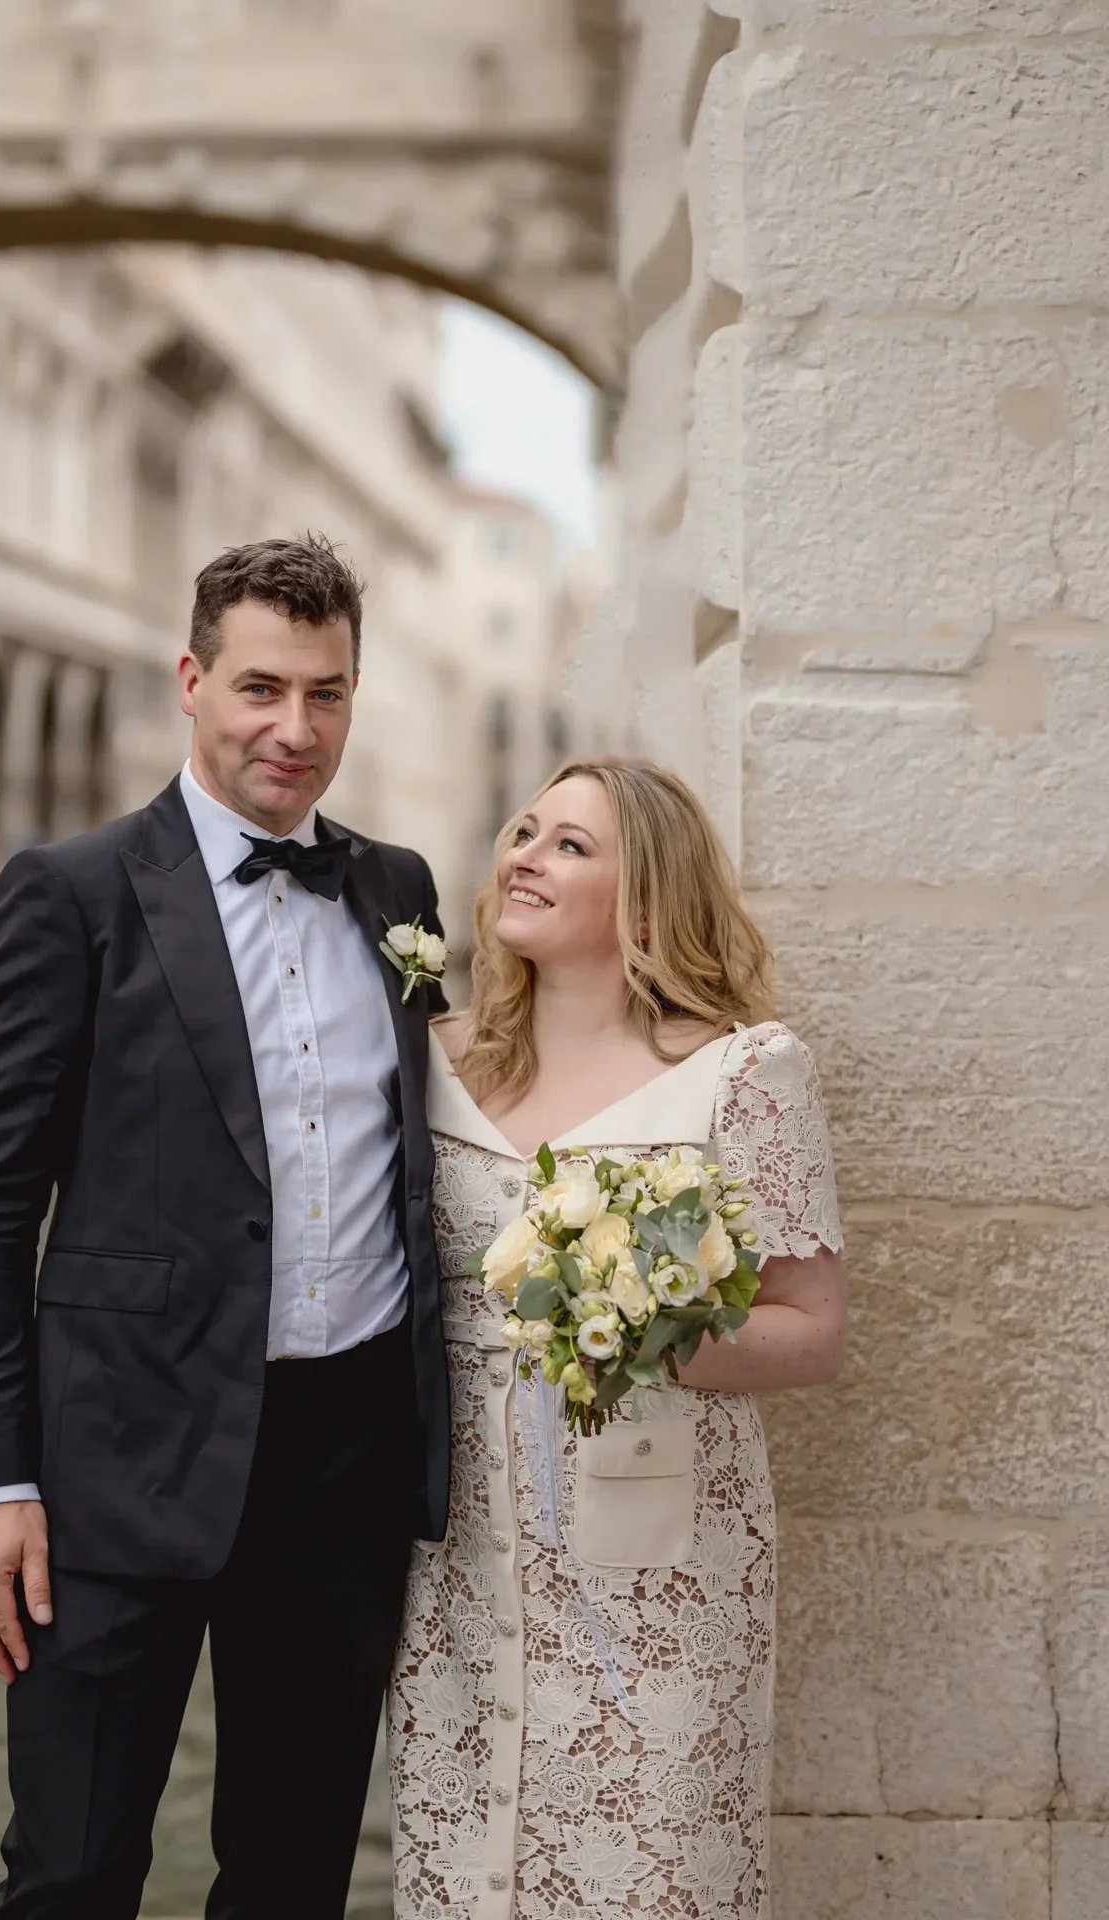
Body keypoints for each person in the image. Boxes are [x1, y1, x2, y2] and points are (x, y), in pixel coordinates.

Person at [0, 534, 451, 1920]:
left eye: (328, 694)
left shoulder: (398, 893)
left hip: (343, 1459)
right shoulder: (75, 891)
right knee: (72, 1873)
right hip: (113, 1462)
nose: (295, 729)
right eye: (261, 689)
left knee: (292, 1880)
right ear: (192, 680)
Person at [389, 759, 847, 1919]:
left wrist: (649, 1333)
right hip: (456, 1554)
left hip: (664, 1566)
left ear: (645, 904)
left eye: (571, 845)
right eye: (525, 831)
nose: (525, 856)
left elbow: (810, 1331)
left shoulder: (741, 1074)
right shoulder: (429, 1062)